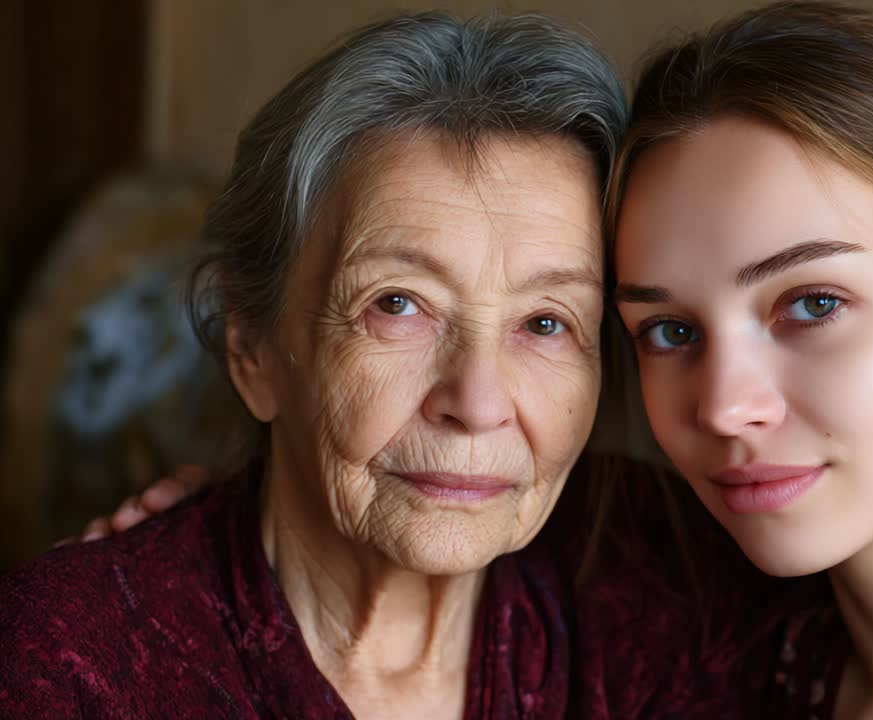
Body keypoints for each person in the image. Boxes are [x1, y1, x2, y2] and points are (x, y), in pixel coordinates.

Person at [64, 3, 873, 719]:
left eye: (810, 301)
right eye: (664, 330)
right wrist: (178, 570)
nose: (725, 408)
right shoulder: (705, 616)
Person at [0, 11, 769, 718]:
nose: (477, 401)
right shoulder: (68, 667)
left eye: (544, 322)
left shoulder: (672, 584)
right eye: (396, 305)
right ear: (252, 347)